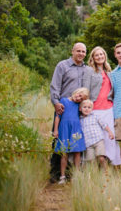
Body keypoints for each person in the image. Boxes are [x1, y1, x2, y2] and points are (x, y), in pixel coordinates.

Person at [49, 42, 87, 182]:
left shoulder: (86, 69)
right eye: (78, 51)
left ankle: (72, 172)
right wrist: (56, 102)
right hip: (63, 108)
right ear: (72, 51)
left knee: (76, 142)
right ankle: (55, 172)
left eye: (83, 51)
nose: (81, 54)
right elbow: (55, 86)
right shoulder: (62, 66)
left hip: (78, 111)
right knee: (59, 141)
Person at [82, 46, 121, 166]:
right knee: (96, 136)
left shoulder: (109, 71)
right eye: (97, 55)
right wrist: (86, 107)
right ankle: (96, 163)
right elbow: (85, 90)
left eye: (102, 54)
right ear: (93, 58)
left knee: (110, 136)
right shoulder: (89, 71)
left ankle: (113, 162)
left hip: (108, 108)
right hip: (94, 109)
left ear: (105, 56)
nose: (100, 57)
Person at [53, 87, 89, 184]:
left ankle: (76, 175)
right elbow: (58, 116)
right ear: (77, 91)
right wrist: (55, 130)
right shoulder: (64, 101)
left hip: (75, 130)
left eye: (81, 99)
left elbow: (86, 110)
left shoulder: (79, 106)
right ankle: (62, 176)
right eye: (79, 95)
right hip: (64, 129)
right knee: (64, 152)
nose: (78, 98)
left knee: (77, 152)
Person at [79, 99, 115, 168]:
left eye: (89, 107)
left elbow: (104, 125)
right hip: (88, 144)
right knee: (91, 161)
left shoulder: (95, 116)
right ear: (80, 109)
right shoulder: (80, 120)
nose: (87, 109)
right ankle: (95, 175)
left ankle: (106, 173)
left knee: (101, 158)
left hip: (98, 140)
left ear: (92, 109)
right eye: (84, 107)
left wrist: (110, 132)